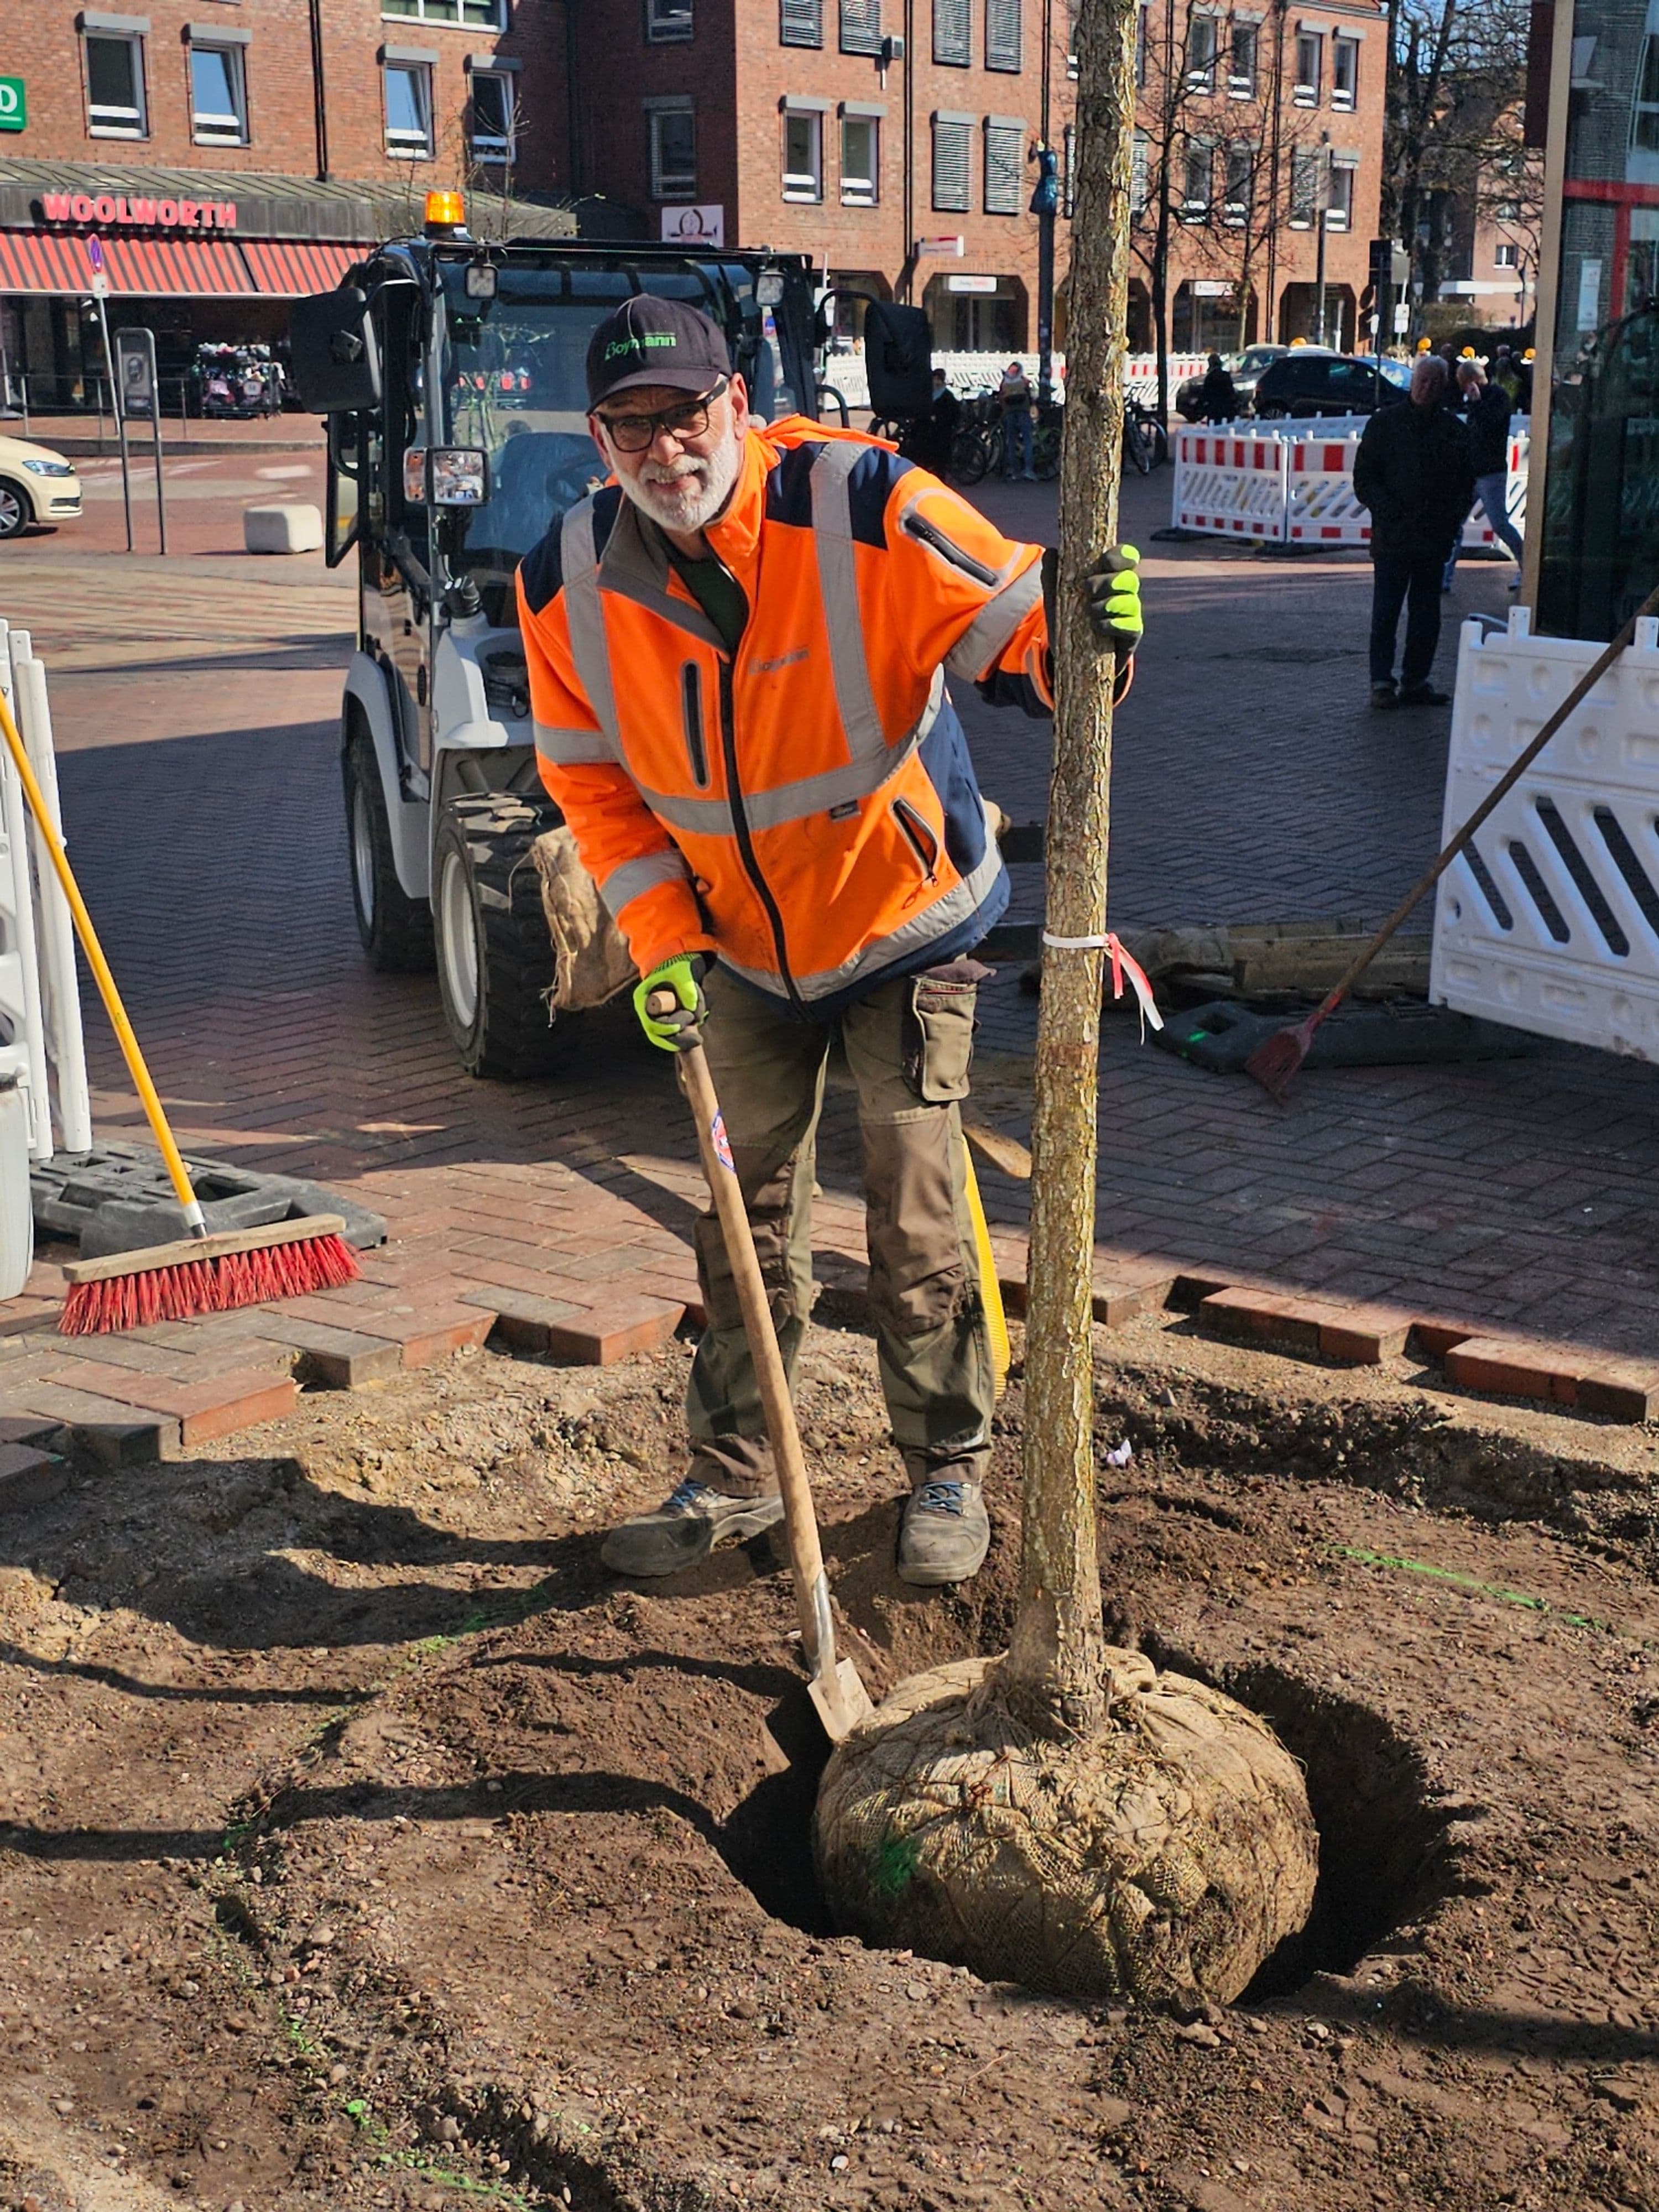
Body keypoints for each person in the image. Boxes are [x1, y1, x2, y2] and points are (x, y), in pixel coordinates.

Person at [517, 298, 1145, 1587]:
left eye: (684, 415)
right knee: (742, 1221)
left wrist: (1090, 634)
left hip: (901, 920)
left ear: (736, 403)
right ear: (597, 440)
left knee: (913, 1209)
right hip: (736, 949)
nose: (662, 449)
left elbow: (1024, 635)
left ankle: (946, 1473)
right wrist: (661, 939)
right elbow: (593, 785)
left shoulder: (861, 506)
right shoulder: (564, 581)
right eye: (629, 427)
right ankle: (737, 1474)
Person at [1352, 351, 1475, 709]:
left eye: (1435, 383)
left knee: (1426, 616)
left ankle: (1416, 679)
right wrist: (1388, 511)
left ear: (1443, 388)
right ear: (1412, 382)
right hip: (1393, 538)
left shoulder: (1454, 431)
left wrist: (1451, 521)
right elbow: (1365, 478)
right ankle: (1381, 682)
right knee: (1386, 613)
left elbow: (1465, 484)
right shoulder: (1385, 424)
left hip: (1432, 539)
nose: (1426, 388)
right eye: (1422, 381)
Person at [1441, 359, 1525, 593]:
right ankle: (1444, 577)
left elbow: (1491, 426)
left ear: (1471, 382)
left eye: (1462, 384)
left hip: (1491, 471)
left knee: (1499, 523)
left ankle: (1528, 567)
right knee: (1454, 523)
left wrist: (1476, 404)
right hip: (1473, 471)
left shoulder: (1497, 397)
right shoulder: (1481, 400)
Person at [902, 366, 961, 475]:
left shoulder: (947, 397)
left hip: (941, 434)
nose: (935, 382)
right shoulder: (929, 394)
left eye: (937, 379)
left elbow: (953, 416)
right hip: (927, 434)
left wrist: (937, 418)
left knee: (938, 464)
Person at [998, 358, 1036, 479]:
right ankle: (1028, 470)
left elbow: (1001, 396)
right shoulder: (1023, 380)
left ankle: (1015, 472)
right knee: (1027, 440)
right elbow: (1030, 395)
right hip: (1023, 412)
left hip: (1009, 412)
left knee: (1011, 442)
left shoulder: (1005, 381)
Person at [1198, 351, 1238, 423]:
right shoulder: (1226, 376)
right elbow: (1231, 392)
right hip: (1227, 409)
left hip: (1214, 410)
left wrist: (1200, 408)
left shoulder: (1210, 378)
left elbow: (1205, 395)